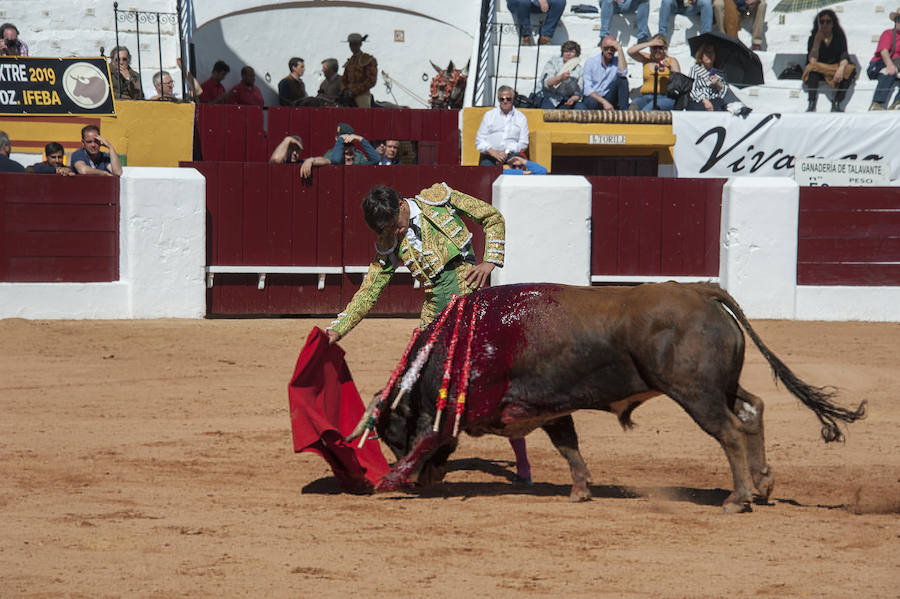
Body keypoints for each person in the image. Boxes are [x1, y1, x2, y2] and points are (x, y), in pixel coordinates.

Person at [325, 183, 532, 485]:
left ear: (400, 204)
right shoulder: (389, 238)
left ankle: (522, 461)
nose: (393, 233)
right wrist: (337, 329)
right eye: (386, 230)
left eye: (394, 225)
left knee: (496, 376)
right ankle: (418, 457)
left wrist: (490, 261)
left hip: (469, 298)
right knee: (413, 381)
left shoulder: (439, 200)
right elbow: (370, 289)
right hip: (434, 312)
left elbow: (492, 217)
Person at [803, 9, 854, 113]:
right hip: (820, 67)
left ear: (833, 23)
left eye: (828, 21)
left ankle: (837, 102)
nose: (825, 24)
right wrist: (817, 42)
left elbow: (844, 55)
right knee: (812, 71)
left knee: (850, 71)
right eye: (822, 21)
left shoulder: (839, 37)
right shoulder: (813, 38)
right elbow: (812, 61)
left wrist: (841, 68)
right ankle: (811, 102)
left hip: (835, 67)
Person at [475, 86, 530, 166]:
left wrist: (506, 152)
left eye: (508, 99)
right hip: (491, 154)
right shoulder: (489, 115)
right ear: (498, 99)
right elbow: (479, 141)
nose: (505, 101)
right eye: (502, 99)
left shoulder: (521, 118)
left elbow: (524, 143)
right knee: (485, 170)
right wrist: (494, 153)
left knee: (518, 164)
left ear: (513, 99)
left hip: (512, 154)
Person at [299, 123, 379, 178]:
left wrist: (361, 139)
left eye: (349, 144)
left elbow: (376, 160)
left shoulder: (358, 155)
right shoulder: (332, 153)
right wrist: (341, 140)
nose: (348, 157)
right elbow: (335, 160)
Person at [627, 34, 682, 110]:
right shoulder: (647, 59)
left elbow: (679, 82)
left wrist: (670, 68)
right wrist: (650, 43)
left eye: (660, 48)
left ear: (665, 48)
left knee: (646, 112)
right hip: (644, 97)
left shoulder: (671, 61)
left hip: (664, 97)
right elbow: (630, 51)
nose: (657, 50)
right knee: (632, 109)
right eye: (654, 47)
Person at [583, 36, 629, 110]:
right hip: (593, 97)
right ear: (601, 48)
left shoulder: (617, 61)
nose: (609, 51)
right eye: (606, 48)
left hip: (608, 97)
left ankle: (624, 113)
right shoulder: (591, 62)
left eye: (612, 49)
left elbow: (623, 73)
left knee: (622, 80)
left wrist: (620, 49)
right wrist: (604, 102)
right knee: (592, 102)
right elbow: (587, 89)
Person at [868, 8, 900, 110]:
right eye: (899, 19)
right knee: (888, 72)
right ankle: (877, 103)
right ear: (895, 21)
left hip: (897, 65)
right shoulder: (888, 33)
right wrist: (890, 65)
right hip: (879, 64)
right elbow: (884, 52)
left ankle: (897, 103)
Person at [540, 41, 586, 109]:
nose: (568, 54)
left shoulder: (579, 70)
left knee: (581, 108)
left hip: (565, 100)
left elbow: (578, 93)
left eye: (572, 52)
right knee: (549, 113)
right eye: (566, 51)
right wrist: (560, 78)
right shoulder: (553, 63)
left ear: (576, 54)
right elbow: (547, 83)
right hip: (548, 97)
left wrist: (572, 99)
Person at [687, 43, 729, 111]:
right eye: (706, 52)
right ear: (701, 54)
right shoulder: (695, 70)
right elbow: (692, 90)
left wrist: (718, 84)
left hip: (716, 101)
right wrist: (704, 100)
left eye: (712, 52)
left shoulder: (720, 73)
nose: (709, 55)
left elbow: (726, 94)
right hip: (699, 101)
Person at [341, 33, 377, 108]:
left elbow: (371, 80)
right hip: (348, 93)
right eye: (351, 44)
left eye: (355, 44)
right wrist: (344, 90)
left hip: (362, 94)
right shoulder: (349, 61)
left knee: (364, 112)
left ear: (360, 44)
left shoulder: (368, 59)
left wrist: (354, 91)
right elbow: (343, 79)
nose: (352, 47)